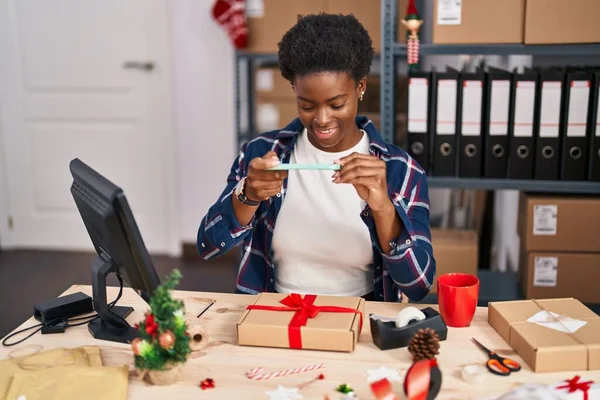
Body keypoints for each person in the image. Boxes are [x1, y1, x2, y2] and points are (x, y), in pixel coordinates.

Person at [198, 13, 435, 302]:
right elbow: (208, 246)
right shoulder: (261, 153)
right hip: (273, 314)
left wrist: (383, 208)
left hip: (359, 321)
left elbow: (419, 286)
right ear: (294, 89)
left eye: (337, 104)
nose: (322, 120)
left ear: (361, 86)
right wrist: (247, 195)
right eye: (307, 105)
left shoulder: (401, 171)